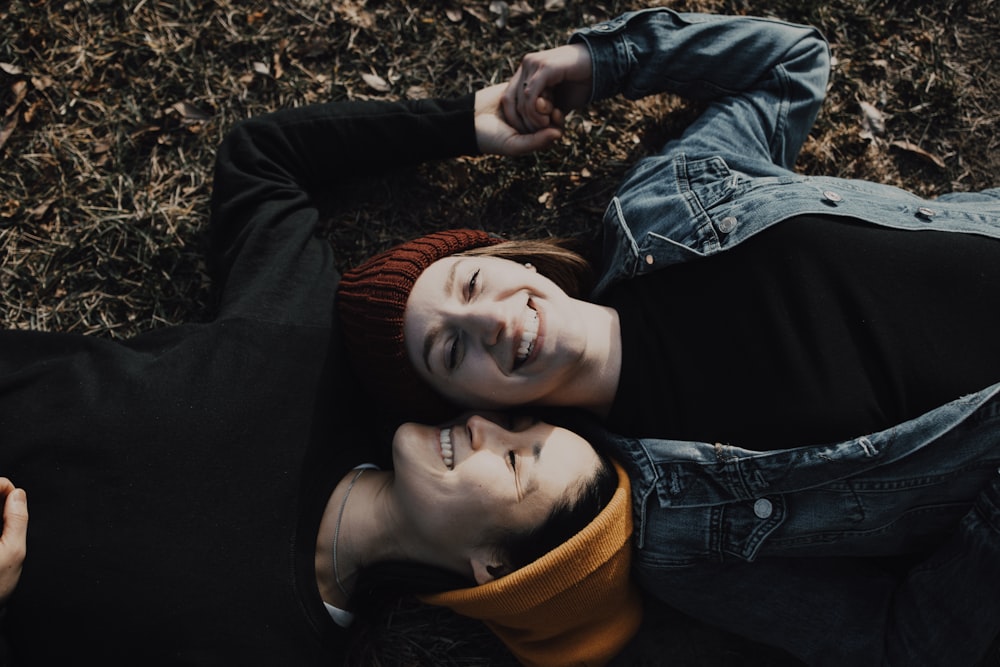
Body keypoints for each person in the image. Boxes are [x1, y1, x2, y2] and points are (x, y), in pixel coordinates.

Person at [334, 7, 1000, 665]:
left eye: (473, 282)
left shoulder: (665, 203)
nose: (490, 321)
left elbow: (792, 63)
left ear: (518, 261)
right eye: (451, 351)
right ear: (478, 408)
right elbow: (897, 642)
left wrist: (608, 62)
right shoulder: (682, 536)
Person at [0, 77, 644, 666]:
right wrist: (464, 123)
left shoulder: (278, 649)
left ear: (493, 566)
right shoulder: (312, 355)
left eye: (512, 463)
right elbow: (263, 159)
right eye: (515, 422)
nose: (482, 426)